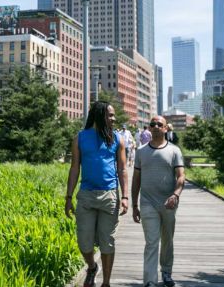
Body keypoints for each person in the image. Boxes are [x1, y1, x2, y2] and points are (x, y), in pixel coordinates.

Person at [65, 101, 129, 287]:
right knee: (84, 242)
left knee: (107, 242)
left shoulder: (117, 139)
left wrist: (125, 197)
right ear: (99, 115)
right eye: (110, 115)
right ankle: (92, 266)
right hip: (86, 196)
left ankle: (106, 282)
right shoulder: (80, 138)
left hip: (109, 196)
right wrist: (68, 197)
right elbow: (74, 168)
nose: (114, 119)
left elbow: (123, 169)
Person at [131, 115, 185, 287]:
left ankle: (167, 272)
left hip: (168, 203)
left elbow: (181, 176)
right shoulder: (141, 152)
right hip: (147, 203)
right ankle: (150, 280)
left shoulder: (174, 151)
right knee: (151, 242)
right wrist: (134, 204)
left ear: (165, 129)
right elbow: (136, 179)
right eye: (152, 124)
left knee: (167, 240)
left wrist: (175, 195)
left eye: (158, 124)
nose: (154, 126)